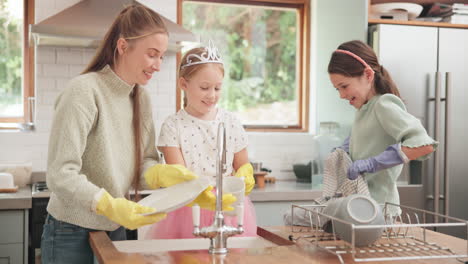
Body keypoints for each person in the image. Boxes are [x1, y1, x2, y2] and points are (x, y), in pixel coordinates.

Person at [40, 5, 234, 264]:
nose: (158, 65)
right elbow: (60, 173)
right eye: (152, 55)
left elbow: (143, 165)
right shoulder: (84, 92)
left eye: (162, 56)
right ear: (122, 46)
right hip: (70, 231)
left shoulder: (140, 97)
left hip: (116, 228)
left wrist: (163, 176)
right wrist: (109, 205)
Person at [146, 41, 257, 239]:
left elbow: (242, 164)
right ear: (183, 84)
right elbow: (181, 177)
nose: (212, 95)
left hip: (228, 206)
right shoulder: (173, 125)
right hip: (189, 208)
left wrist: (246, 174)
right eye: (205, 87)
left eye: (217, 88)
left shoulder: (231, 122)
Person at [327, 40, 437, 215]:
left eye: (344, 86)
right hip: (363, 208)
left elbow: (424, 145)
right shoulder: (365, 108)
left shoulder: (383, 104)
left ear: (368, 75)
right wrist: (345, 149)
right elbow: (367, 138)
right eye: (337, 89)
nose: (341, 95)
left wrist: (373, 163)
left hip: (380, 210)